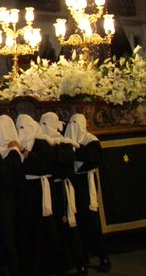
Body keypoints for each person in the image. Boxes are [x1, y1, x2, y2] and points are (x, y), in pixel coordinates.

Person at [11, 114, 59, 276]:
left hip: (41, 189)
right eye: (18, 128)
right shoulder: (17, 145)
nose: (20, 131)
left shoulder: (42, 143)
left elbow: (44, 165)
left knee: (44, 228)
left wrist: (24, 151)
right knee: (28, 228)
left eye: (23, 128)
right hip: (27, 191)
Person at [39, 112, 86, 275]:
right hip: (49, 189)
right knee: (53, 228)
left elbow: (62, 161)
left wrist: (53, 149)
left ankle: (80, 262)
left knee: (70, 225)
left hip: (62, 190)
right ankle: (60, 263)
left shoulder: (64, 144)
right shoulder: (42, 143)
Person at [64, 113, 111, 273]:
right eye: (71, 123)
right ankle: (81, 257)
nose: (73, 126)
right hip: (72, 183)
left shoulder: (91, 141)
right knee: (76, 220)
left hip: (86, 182)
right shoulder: (66, 138)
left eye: (77, 123)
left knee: (91, 219)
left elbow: (94, 158)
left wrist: (77, 148)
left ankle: (103, 256)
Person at [0, 114, 24, 276]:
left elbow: (9, 174)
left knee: (8, 235)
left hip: (9, 199)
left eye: (0, 129)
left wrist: (14, 151)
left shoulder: (15, 152)